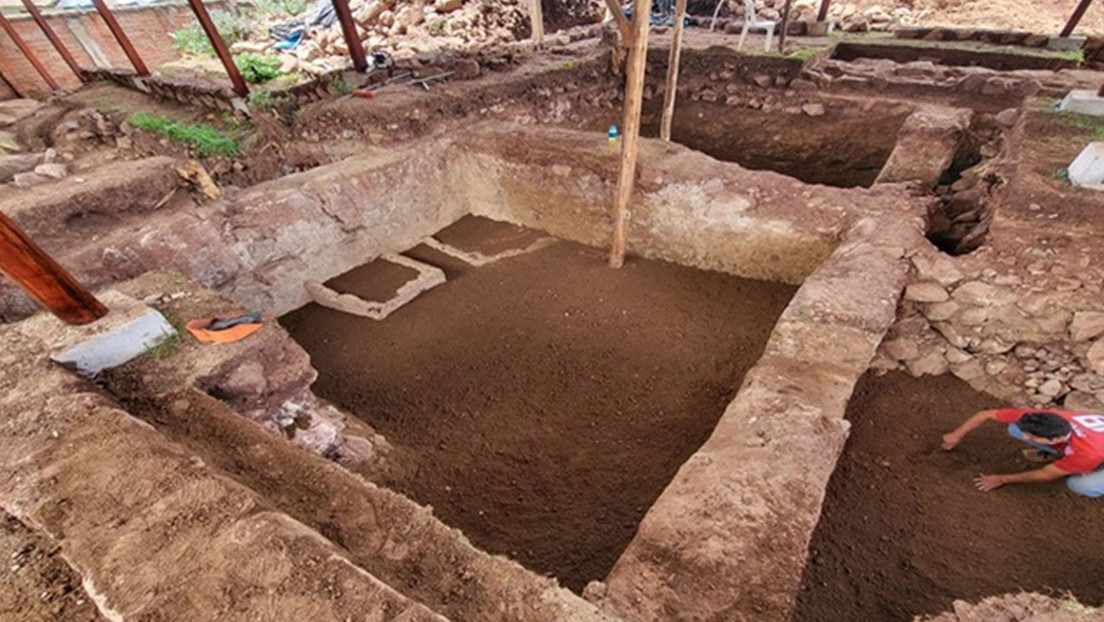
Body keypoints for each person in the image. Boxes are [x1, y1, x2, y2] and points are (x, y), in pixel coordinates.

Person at [941, 408, 1104, 497]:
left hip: (1095, 450)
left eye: (1033, 437)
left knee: (1079, 485)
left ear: (1054, 440)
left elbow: (1045, 474)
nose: (1026, 438)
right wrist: (956, 435)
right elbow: (985, 414)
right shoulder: (1046, 417)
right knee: (1015, 428)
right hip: (1093, 443)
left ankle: (1090, 471)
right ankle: (1065, 459)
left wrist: (1002, 479)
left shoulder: (1087, 452)